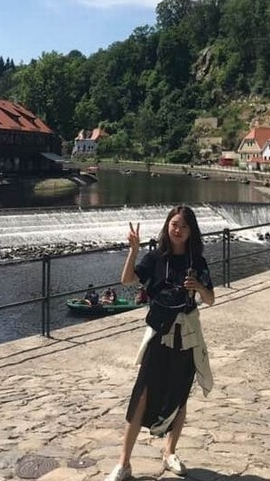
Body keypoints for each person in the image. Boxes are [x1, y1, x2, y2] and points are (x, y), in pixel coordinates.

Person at [105, 205, 215, 481]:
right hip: (160, 334)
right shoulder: (155, 258)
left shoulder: (197, 262)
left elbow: (210, 299)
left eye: (184, 226)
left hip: (187, 334)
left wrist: (199, 288)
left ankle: (169, 452)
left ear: (191, 231)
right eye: (174, 224)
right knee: (142, 395)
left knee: (180, 395)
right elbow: (127, 280)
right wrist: (133, 250)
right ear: (167, 226)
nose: (178, 230)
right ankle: (124, 463)